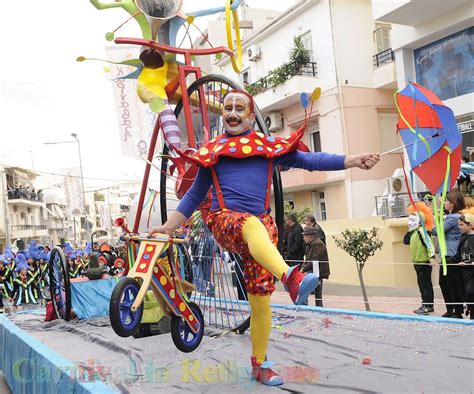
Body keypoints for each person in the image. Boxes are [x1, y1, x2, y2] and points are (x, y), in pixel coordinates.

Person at [149, 89, 380, 386]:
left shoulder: (267, 147)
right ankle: (291, 278)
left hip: (260, 229)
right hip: (226, 221)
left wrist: (352, 160)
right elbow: (194, 194)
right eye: (228, 107)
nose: (232, 113)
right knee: (252, 225)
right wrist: (168, 226)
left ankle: (260, 364)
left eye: (239, 108)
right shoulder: (213, 152)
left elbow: (312, 161)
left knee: (260, 300)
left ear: (250, 116)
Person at [433, 190, 466, 318]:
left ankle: (457, 311)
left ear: (452, 204)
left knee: (452, 283)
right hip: (447, 254)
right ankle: (451, 309)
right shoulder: (453, 217)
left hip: (451, 254)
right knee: (444, 282)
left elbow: (437, 231)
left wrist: (431, 222)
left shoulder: (453, 218)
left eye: (446, 201)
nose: (445, 203)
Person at [403, 203, 435, 315]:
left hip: (424, 262)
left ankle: (428, 306)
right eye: (409, 220)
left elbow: (429, 244)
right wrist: (409, 230)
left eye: (413, 220)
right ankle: (424, 303)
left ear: (420, 221)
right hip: (416, 262)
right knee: (421, 285)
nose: (410, 222)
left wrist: (431, 257)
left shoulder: (422, 231)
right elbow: (405, 241)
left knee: (426, 285)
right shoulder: (413, 232)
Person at [300, 226, 330, 307]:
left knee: (315, 292)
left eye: (305, 236)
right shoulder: (310, 245)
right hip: (313, 271)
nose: (303, 238)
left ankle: (316, 307)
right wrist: (303, 267)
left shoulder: (318, 244)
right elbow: (307, 259)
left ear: (311, 236)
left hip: (318, 272)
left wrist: (303, 269)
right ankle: (314, 307)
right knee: (315, 292)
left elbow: (314, 260)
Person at [456, 212, 474, 319]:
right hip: (464, 272)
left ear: (470, 224)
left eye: (462, 224)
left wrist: (467, 263)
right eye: (459, 224)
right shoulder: (463, 238)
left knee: (470, 292)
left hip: (472, 271)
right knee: (466, 293)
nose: (460, 227)